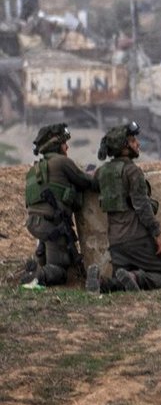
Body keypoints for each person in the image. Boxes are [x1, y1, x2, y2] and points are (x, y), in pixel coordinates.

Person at [86, 122, 161, 294]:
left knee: (119, 281)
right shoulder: (133, 172)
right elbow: (143, 207)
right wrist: (157, 235)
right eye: (132, 141)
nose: (137, 144)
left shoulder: (103, 172)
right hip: (137, 239)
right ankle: (134, 277)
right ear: (124, 148)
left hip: (116, 243)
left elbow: (92, 183)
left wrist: (91, 172)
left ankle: (102, 283)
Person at [23, 122, 96, 288]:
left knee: (53, 258)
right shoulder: (62, 162)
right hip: (52, 226)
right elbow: (86, 182)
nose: (67, 147)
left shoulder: (34, 170)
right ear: (56, 145)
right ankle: (38, 273)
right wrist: (93, 174)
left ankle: (37, 267)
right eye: (64, 143)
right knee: (60, 272)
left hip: (36, 225)